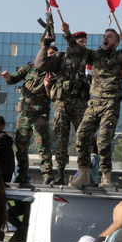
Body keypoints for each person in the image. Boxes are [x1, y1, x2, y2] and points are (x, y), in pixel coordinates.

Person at [62, 23, 122, 188]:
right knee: (81, 135)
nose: (105, 38)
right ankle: (83, 173)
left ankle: (106, 177)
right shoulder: (95, 55)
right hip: (93, 103)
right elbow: (77, 49)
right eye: (104, 36)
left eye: (110, 37)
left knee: (103, 140)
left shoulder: (120, 57)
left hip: (110, 103)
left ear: (116, 43)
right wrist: (67, 33)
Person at [35, 30, 90, 186]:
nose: (82, 43)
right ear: (72, 42)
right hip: (62, 103)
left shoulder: (88, 59)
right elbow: (40, 64)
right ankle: (60, 173)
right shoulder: (60, 57)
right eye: (80, 40)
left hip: (81, 103)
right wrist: (46, 44)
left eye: (84, 41)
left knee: (83, 138)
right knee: (61, 139)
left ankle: (84, 173)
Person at [0, 58, 53, 186]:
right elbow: (13, 79)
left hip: (40, 114)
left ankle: (47, 176)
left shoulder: (53, 73)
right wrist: (7, 77)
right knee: (20, 145)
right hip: (24, 114)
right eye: (46, 55)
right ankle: (22, 175)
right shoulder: (29, 68)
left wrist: (48, 85)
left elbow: (55, 96)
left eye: (52, 55)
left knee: (42, 144)